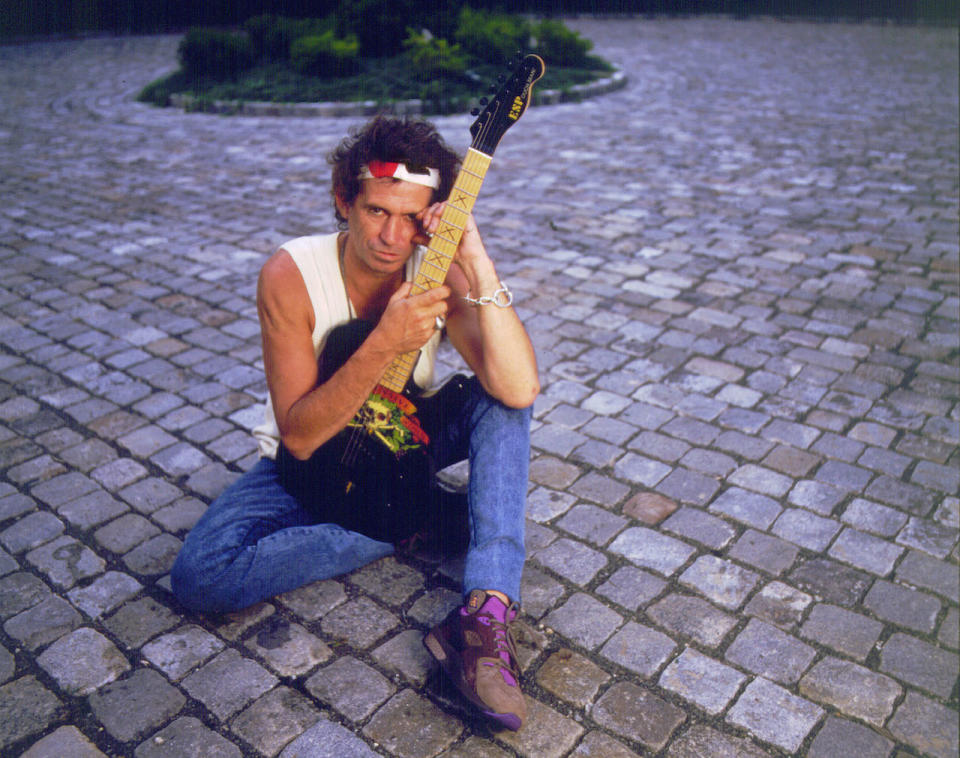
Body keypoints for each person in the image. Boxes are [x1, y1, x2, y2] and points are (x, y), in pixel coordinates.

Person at [170, 115, 539, 731]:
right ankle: (404, 523)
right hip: (305, 461)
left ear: (430, 216)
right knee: (200, 576)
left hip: (406, 437)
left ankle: (484, 609)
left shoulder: (435, 264)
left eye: (409, 217)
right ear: (345, 200)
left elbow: (519, 387)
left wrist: (476, 261)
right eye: (375, 211)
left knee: (501, 401)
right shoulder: (291, 276)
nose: (392, 237)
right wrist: (383, 341)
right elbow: (300, 434)